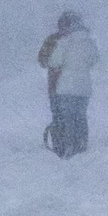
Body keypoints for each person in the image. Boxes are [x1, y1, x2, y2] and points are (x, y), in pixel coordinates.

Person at [46, 11, 99, 158]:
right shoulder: (89, 42)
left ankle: (69, 147)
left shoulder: (64, 42)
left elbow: (54, 62)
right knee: (80, 117)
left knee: (67, 118)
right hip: (84, 88)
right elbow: (94, 60)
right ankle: (81, 144)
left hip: (66, 87)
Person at [37, 14, 70, 151]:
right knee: (65, 116)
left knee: (59, 116)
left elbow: (42, 61)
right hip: (62, 87)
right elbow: (41, 60)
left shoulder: (52, 40)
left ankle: (61, 145)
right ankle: (65, 144)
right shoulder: (77, 41)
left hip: (57, 85)